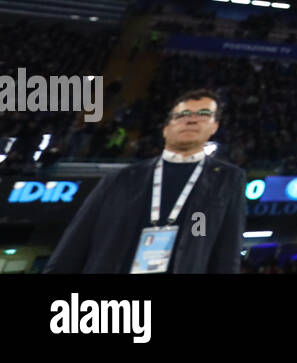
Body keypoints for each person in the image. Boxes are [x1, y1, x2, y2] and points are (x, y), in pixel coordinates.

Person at [45, 89, 245, 273]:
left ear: (214, 126)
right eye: (182, 115)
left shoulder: (227, 179)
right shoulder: (119, 179)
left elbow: (226, 254)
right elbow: (75, 243)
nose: (191, 120)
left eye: (203, 114)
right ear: (166, 128)